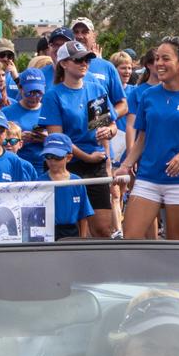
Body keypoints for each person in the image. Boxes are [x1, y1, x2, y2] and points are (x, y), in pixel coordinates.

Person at [115, 38, 179, 241]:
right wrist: (126, 165)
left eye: (166, 58)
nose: (159, 64)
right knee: (131, 240)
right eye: (156, 59)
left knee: (174, 247)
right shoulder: (148, 95)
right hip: (148, 178)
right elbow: (142, 137)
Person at [39, 39, 123, 237]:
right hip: (66, 166)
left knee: (103, 228)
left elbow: (108, 127)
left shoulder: (96, 90)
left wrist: (110, 132)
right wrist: (86, 156)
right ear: (64, 64)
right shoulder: (54, 95)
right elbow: (57, 139)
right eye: (78, 60)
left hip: (96, 164)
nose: (84, 63)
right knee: (71, 229)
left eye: (87, 59)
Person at [43, 133, 93, 240]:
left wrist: (82, 238)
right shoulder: (40, 182)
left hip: (71, 232)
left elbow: (83, 214)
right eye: (48, 156)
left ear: (68, 158)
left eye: (57, 157)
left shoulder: (77, 182)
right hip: (47, 231)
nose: (52, 161)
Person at [2, 69, 48, 174]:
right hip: (14, 166)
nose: (34, 97)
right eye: (29, 93)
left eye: (38, 93)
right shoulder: (6, 113)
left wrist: (46, 139)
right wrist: (16, 139)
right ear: (20, 89)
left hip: (43, 167)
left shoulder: (50, 111)